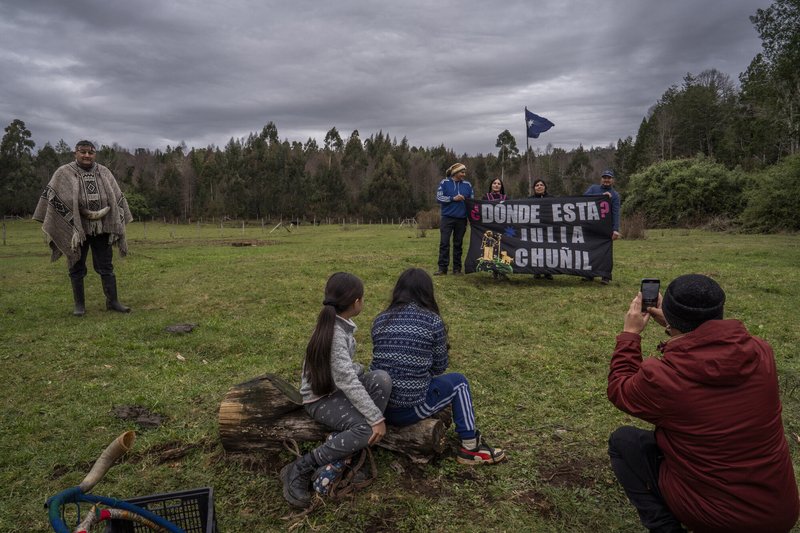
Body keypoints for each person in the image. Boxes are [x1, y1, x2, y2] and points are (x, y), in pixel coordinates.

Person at [607, 274, 799, 533]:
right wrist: (674, 327)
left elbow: (620, 388)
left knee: (624, 442)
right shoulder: (761, 352)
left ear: (671, 315)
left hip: (722, 520)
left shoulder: (666, 379)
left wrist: (630, 335)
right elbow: (709, 348)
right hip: (781, 513)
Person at [370, 268, 506, 465]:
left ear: (397, 291)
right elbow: (440, 366)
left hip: (379, 408)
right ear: (427, 292)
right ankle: (470, 447)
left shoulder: (380, 320)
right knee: (459, 382)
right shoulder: (433, 321)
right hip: (409, 409)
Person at [280, 272, 391, 509]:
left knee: (381, 379)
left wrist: (357, 369)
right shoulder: (335, 334)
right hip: (319, 399)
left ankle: (352, 447)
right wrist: (376, 419)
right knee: (364, 428)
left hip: (334, 389)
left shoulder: (338, 326)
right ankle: (300, 467)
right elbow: (347, 381)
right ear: (356, 302)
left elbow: (343, 371)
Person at [32, 140, 133, 316]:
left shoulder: (105, 172)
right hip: (75, 229)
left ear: (95, 154)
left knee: (106, 265)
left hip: (103, 226)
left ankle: (113, 301)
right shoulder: (63, 173)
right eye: (83, 152)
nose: (87, 155)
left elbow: (117, 197)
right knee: (76, 264)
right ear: (75, 153)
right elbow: (52, 197)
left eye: (91, 152)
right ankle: (79, 305)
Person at [582, 169, 620, 285]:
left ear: (612, 180)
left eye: (609, 178)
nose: (606, 180)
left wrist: (615, 230)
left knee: (605, 252)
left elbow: (616, 213)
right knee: (589, 250)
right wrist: (600, 196)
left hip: (605, 228)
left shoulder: (615, 195)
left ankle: (605, 276)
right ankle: (589, 274)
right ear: (601, 179)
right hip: (591, 225)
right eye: (604, 177)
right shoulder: (593, 188)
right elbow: (583, 199)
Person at [435, 162, 473, 276]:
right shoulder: (444, 183)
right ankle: (442, 269)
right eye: (462, 172)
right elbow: (439, 197)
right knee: (444, 243)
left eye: (464, 172)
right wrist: (453, 198)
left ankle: (457, 269)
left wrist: (471, 216)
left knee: (458, 244)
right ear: (455, 172)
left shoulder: (468, 185)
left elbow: (472, 201)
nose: (464, 174)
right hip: (447, 218)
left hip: (461, 219)